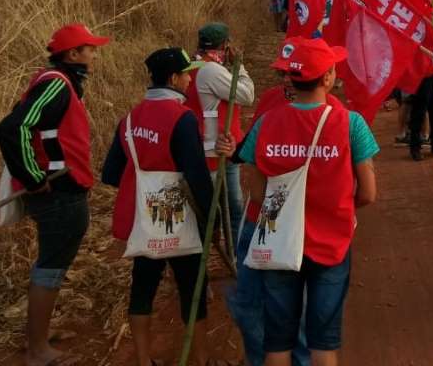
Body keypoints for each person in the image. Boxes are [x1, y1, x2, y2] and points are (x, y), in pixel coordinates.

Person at [233, 37, 378, 366]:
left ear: (292, 78)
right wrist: (337, 206)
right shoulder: (350, 123)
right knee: (323, 344)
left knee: (278, 343)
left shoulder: (267, 123)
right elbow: (368, 193)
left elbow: (257, 193)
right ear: (327, 78)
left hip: (280, 246)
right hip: (331, 246)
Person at [0, 23, 110, 366]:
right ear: (72, 54)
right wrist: (33, 177)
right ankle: (37, 350)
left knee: (53, 263)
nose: (93, 53)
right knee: (51, 267)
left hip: (63, 189)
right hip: (58, 191)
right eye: (88, 48)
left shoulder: (59, 83)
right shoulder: (56, 85)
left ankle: (39, 334)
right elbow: (12, 127)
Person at [101, 48, 214, 366]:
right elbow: (197, 176)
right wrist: (211, 220)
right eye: (186, 74)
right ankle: (201, 358)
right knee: (192, 286)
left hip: (144, 217)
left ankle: (143, 359)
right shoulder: (182, 118)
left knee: (143, 287)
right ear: (173, 79)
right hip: (178, 214)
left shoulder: (129, 119)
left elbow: (111, 174)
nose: (190, 79)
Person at [225, 40, 312, 366]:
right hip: (258, 220)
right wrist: (231, 147)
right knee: (248, 303)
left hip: (300, 229)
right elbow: (247, 151)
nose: (287, 80)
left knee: (297, 312)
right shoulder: (269, 101)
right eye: (281, 74)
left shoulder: (333, 115)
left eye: (293, 73)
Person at [186, 22, 255, 251]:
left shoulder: (191, 66)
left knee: (218, 208)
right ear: (225, 45)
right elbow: (247, 95)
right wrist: (239, 66)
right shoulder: (211, 70)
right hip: (218, 151)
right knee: (229, 210)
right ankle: (234, 256)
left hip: (209, 146)